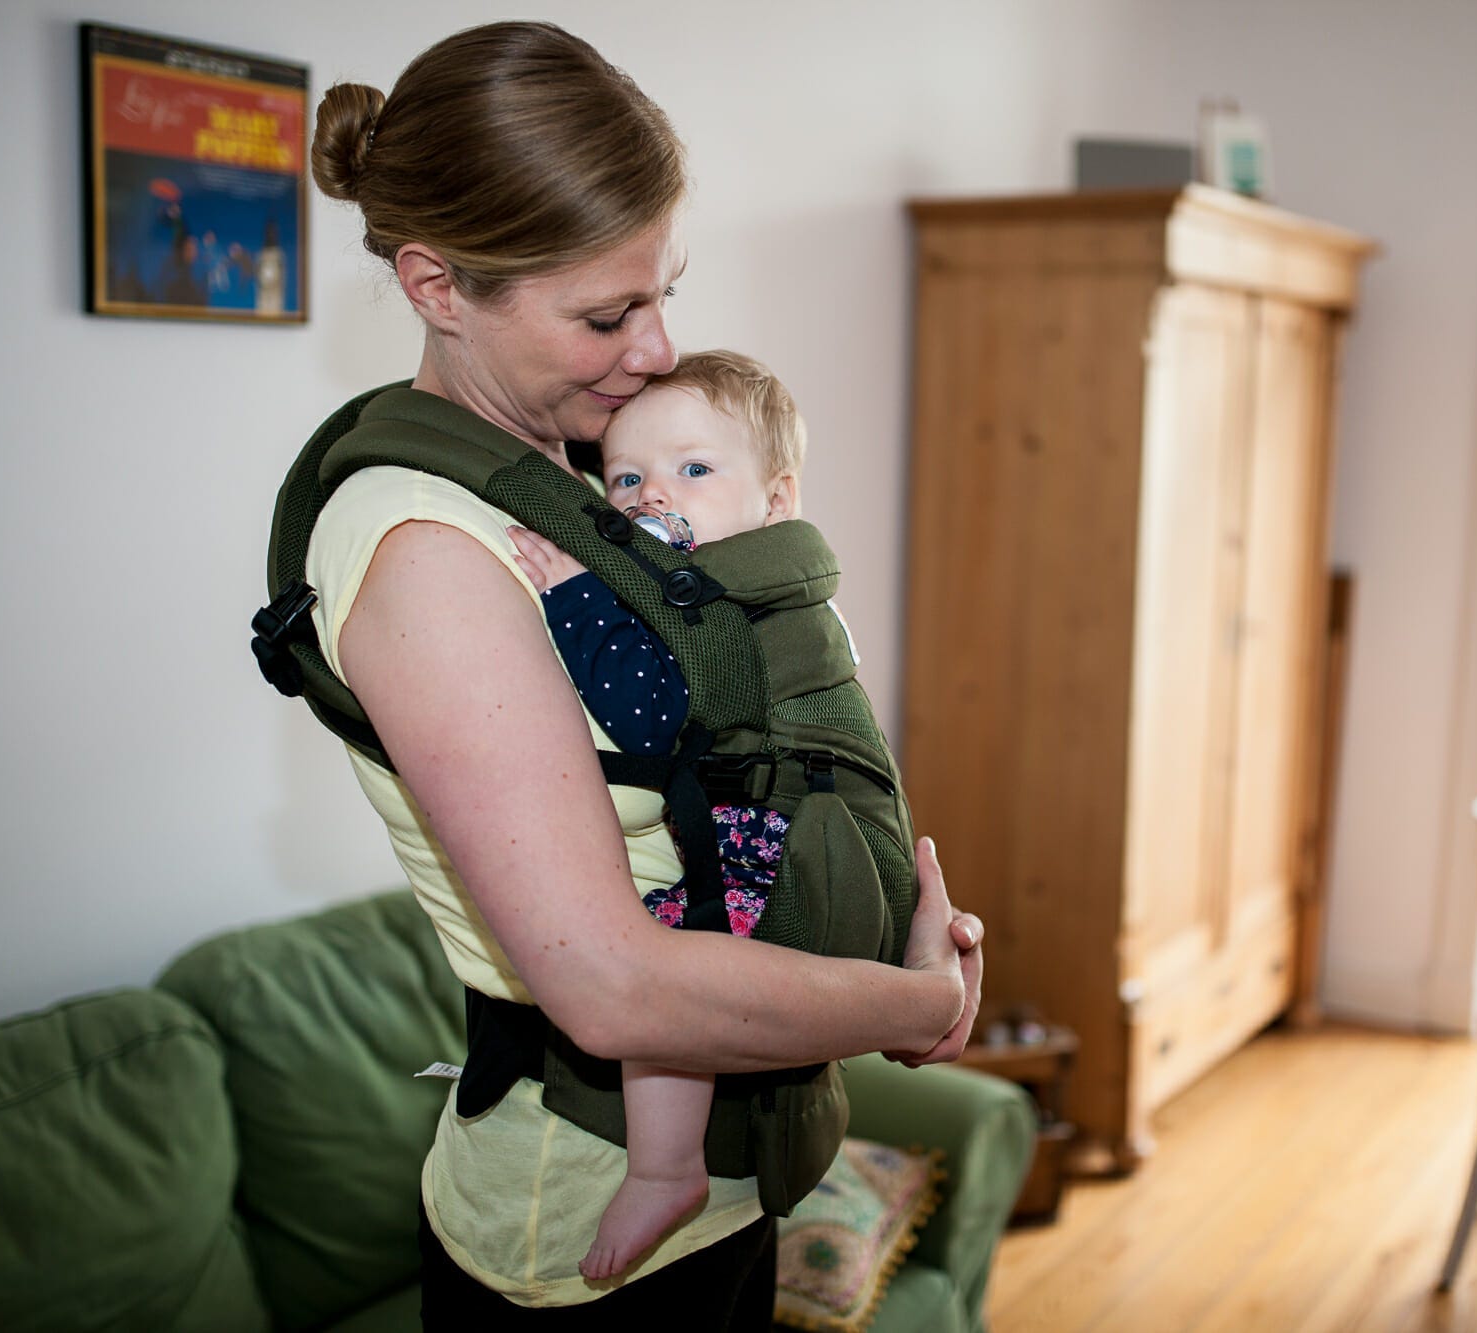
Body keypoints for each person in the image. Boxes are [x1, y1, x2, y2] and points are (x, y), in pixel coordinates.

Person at [297, 21, 981, 1327]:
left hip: (722, 1177)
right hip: (587, 1225)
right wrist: (915, 998)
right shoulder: (431, 550)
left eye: (663, 291)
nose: (660, 348)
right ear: (438, 287)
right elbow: (611, 980)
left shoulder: (578, 469)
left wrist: (881, 891)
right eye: (609, 313)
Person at [505, 349, 864, 1280]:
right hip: (817, 833)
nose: (649, 495)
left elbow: (654, 713)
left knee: (663, 979)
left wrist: (574, 595)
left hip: (777, 843)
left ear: (776, 500)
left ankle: (665, 1167)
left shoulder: (732, 601)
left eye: (693, 470)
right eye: (626, 478)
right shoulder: (775, 576)